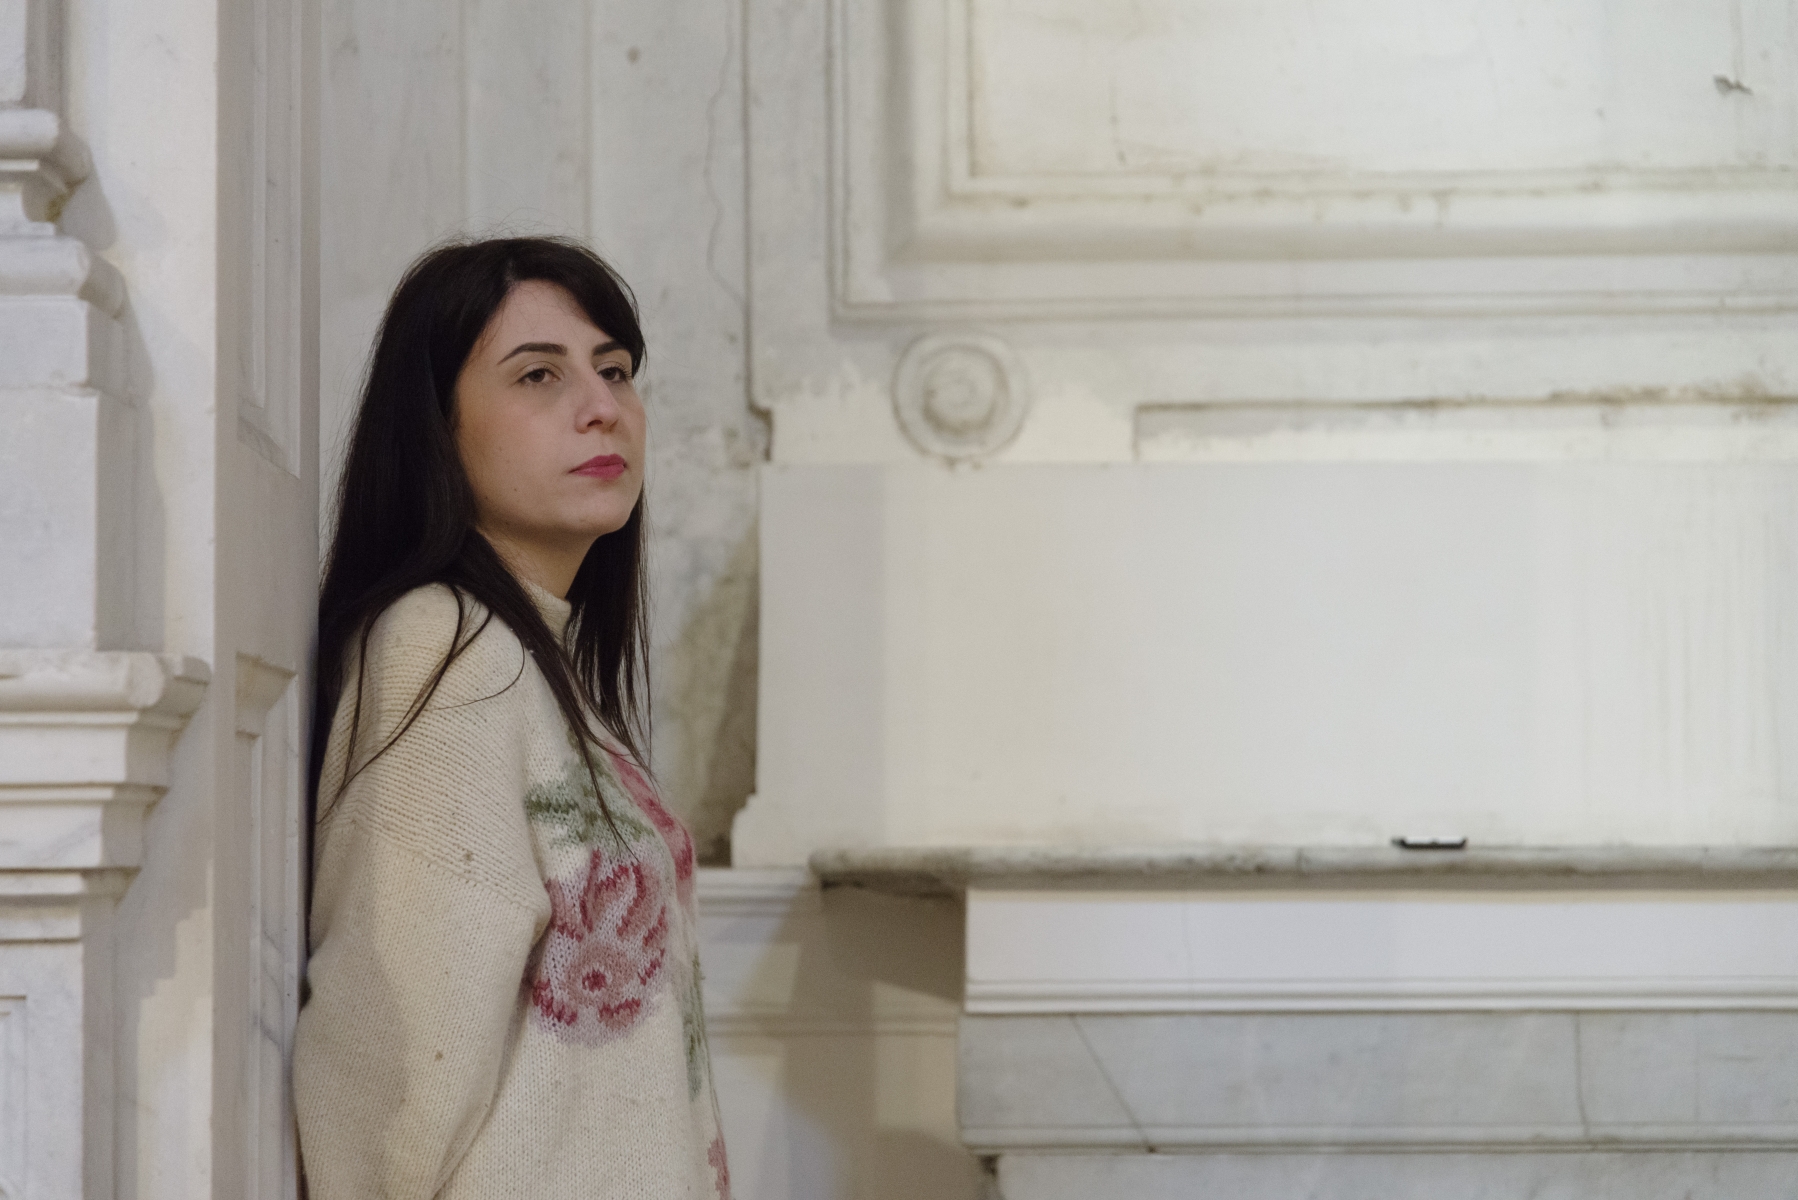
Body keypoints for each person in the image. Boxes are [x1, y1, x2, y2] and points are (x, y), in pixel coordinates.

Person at [292, 237, 730, 1199]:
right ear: (436, 428)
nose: (601, 404)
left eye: (615, 369)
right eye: (539, 375)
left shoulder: (541, 666)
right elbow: (391, 1053)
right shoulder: (444, 646)